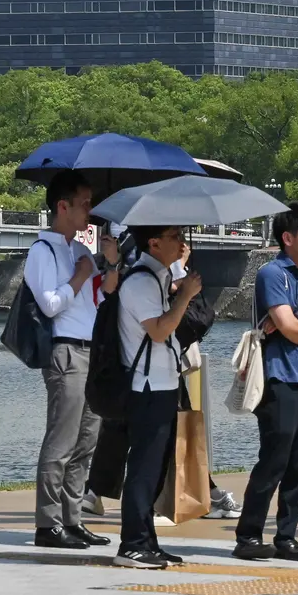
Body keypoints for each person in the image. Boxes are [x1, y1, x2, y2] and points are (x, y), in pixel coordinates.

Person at [234, 203, 298, 562]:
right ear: (287, 237)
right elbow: (290, 326)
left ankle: (286, 537)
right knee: (273, 461)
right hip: (278, 377)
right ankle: (247, 536)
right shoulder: (272, 274)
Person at [27, 171, 119, 550]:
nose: (89, 211)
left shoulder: (80, 251)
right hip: (65, 350)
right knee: (61, 440)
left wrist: (109, 265)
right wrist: (79, 279)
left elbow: (102, 298)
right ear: (62, 206)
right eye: (84, 203)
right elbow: (49, 305)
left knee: (87, 440)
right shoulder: (42, 251)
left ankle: (73, 518)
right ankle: (47, 524)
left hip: (90, 348)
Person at [114, 225, 202, 569]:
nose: (180, 243)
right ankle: (132, 544)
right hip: (147, 385)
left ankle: (147, 540)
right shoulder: (139, 281)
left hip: (164, 383)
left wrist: (181, 286)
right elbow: (159, 330)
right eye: (174, 236)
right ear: (154, 242)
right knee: (143, 467)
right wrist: (185, 296)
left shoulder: (159, 277)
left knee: (157, 467)